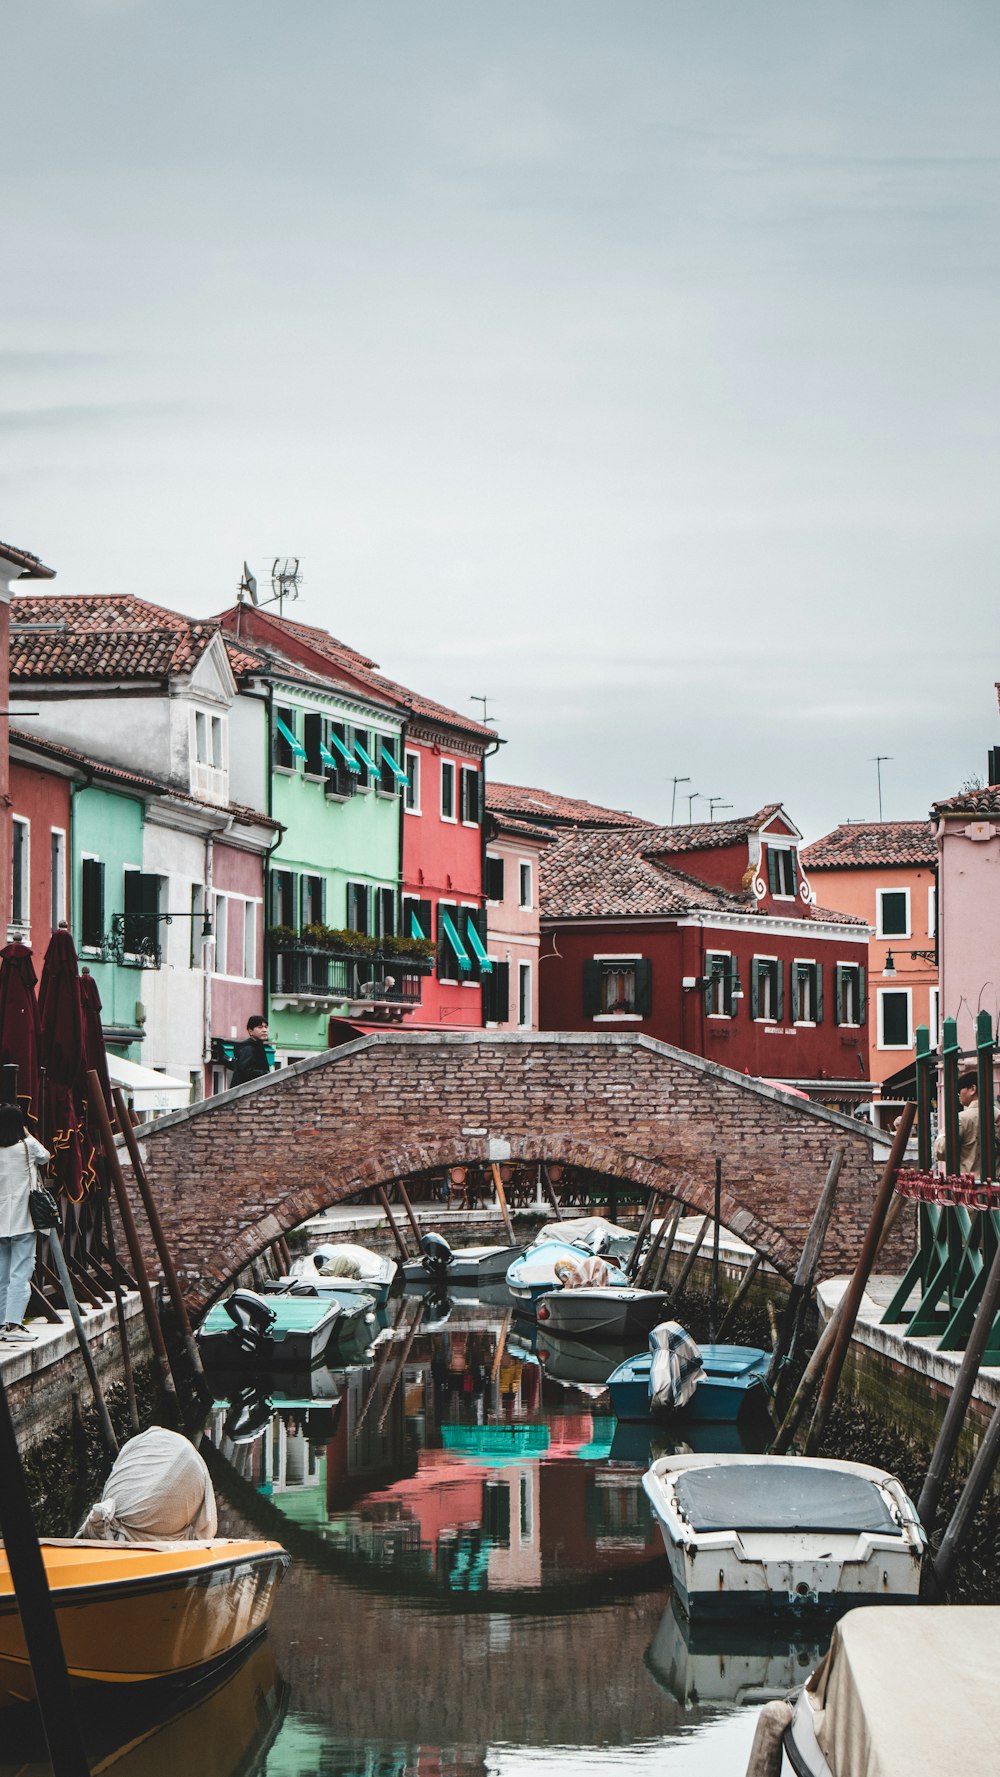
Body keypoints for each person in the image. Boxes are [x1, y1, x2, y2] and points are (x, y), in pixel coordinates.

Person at [0, 1102, 50, 1343]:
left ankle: (1, 1323)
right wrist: (27, 1133)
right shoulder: (28, 1146)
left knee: (1, 1274)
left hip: (0, 1223)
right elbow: (46, 1156)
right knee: (21, 1272)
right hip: (22, 1221)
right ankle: (14, 1325)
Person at [935, 1070, 1000, 1177]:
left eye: (960, 1090)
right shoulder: (997, 1115)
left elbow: (942, 1150)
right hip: (995, 1186)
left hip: (970, 1186)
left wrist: (942, 1135)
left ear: (972, 1089)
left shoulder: (962, 1119)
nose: (958, 1094)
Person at [230, 1016, 273, 1087]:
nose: (264, 1030)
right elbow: (246, 1072)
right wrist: (265, 1073)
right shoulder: (248, 1048)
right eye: (260, 1027)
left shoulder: (258, 1046)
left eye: (266, 1027)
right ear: (250, 1031)